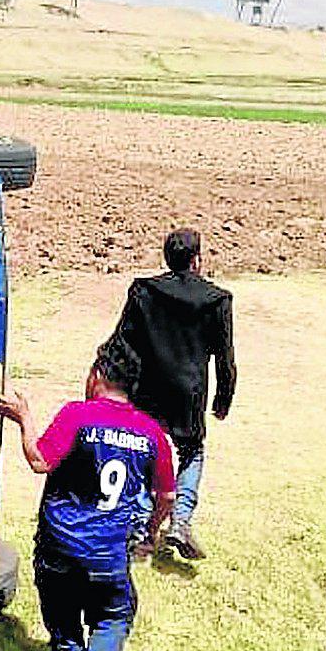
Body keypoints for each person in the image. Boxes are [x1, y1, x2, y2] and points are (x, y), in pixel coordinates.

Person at [0, 335, 176, 651]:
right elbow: (167, 495)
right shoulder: (152, 433)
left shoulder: (77, 415)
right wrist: (151, 533)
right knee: (115, 616)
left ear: (98, 374)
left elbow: (39, 461)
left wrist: (23, 417)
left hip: (58, 547)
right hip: (108, 555)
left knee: (64, 623)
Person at [112, 227, 236, 561]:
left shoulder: (144, 290)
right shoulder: (217, 299)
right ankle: (180, 520)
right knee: (192, 450)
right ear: (196, 260)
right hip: (188, 394)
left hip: (147, 389)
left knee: (143, 451)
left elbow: (123, 342)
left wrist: (114, 385)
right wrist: (223, 399)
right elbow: (225, 357)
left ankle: (141, 528)